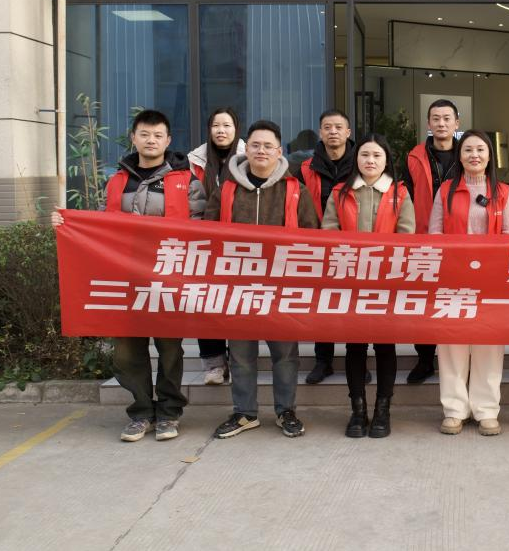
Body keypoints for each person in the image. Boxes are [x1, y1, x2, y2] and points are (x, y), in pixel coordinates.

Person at [52, 110, 206, 442]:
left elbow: (201, 225)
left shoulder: (186, 180)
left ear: (168, 140)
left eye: (158, 135)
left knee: (170, 349)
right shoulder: (117, 180)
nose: (151, 140)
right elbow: (100, 225)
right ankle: (141, 412)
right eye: (145, 134)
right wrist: (67, 223)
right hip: (125, 277)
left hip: (167, 277)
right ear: (133, 137)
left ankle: (169, 412)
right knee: (126, 350)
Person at [205, 120, 320, 439]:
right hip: (237, 287)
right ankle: (245, 413)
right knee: (241, 354)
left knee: (285, 355)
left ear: (279, 151)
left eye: (268, 146)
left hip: (282, 288)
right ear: (246, 149)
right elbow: (207, 232)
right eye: (255, 145)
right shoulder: (227, 189)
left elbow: (312, 236)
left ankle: (286, 411)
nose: (261, 151)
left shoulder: (295, 190)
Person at [322, 134, 416, 438]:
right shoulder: (340, 192)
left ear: (386, 160)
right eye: (365, 155)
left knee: (386, 345)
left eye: (377, 155)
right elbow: (329, 233)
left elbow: (407, 237)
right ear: (356, 159)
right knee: (355, 346)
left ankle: (383, 410)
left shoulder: (400, 194)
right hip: (350, 282)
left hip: (387, 283)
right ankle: (358, 410)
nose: (370, 161)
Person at [429, 129, 509, 436]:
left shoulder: (502, 192)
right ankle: (454, 410)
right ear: (460, 155)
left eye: (480, 149)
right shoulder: (445, 191)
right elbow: (435, 233)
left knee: (488, 347)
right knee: (452, 346)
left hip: (490, 282)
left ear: (490, 156)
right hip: (453, 280)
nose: (474, 155)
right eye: (468, 150)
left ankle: (487, 410)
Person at [290, 109, 356, 384]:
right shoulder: (306, 167)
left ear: (348, 132)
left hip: (355, 247)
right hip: (318, 244)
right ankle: (323, 361)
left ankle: (356, 361)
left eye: (338, 127)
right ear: (320, 132)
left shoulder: (361, 162)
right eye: (327, 127)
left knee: (354, 305)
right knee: (322, 304)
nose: (333, 132)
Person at [187, 107, 246, 386]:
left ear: (236, 129)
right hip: (204, 242)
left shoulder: (248, 158)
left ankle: (238, 360)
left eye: (227, 125)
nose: (221, 130)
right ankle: (214, 364)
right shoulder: (194, 161)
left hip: (240, 244)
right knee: (206, 302)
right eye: (216, 125)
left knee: (236, 304)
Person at [404, 99, 461, 384]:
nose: (441, 123)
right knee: (424, 303)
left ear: (456, 123)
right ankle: (425, 360)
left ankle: (458, 362)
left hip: (460, 240)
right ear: (428, 123)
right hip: (423, 238)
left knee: (457, 298)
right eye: (436, 118)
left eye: (447, 118)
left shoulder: (469, 153)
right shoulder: (414, 157)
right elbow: (404, 198)